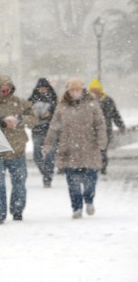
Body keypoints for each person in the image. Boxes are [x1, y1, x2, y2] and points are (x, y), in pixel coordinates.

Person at [43, 78, 107, 219]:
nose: (75, 92)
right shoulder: (62, 106)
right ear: (68, 91)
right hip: (69, 149)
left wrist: (102, 140)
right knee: (73, 182)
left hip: (89, 147)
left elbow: (100, 124)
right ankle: (76, 207)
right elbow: (53, 127)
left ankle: (89, 200)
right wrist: (47, 144)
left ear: (82, 90)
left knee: (90, 179)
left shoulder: (92, 104)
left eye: (77, 89)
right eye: (72, 90)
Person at [0, 75, 36, 224]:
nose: (5, 92)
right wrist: (0, 123)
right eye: (2, 90)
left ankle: (17, 210)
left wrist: (20, 121)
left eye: (8, 89)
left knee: (19, 182)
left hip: (16, 149)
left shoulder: (20, 103)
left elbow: (33, 118)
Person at [88, 78, 126, 175]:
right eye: (92, 90)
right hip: (90, 130)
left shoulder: (108, 100)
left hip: (105, 129)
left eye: (96, 89)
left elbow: (115, 114)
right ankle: (94, 166)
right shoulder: (87, 101)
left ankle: (102, 166)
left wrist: (120, 125)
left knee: (102, 149)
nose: (94, 92)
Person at [27, 78, 58, 188]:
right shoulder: (32, 99)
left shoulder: (53, 99)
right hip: (37, 130)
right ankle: (46, 173)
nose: (43, 90)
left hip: (51, 130)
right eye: (41, 88)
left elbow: (59, 113)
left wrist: (50, 113)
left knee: (50, 154)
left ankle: (47, 176)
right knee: (37, 155)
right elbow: (26, 113)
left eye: (45, 88)